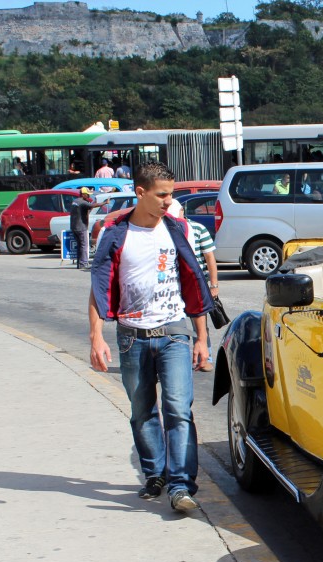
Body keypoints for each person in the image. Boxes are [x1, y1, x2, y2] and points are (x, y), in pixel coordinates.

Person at [89, 162, 214, 512]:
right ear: (140, 192)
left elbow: (193, 283)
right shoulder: (114, 233)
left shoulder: (178, 230)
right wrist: (96, 337)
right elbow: (99, 288)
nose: (168, 201)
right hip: (132, 336)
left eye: (170, 194)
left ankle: (181, 485)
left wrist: (201, 338)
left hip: (175, 332)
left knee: (178, 409)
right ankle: (154, 474)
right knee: (142, 411)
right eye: (161, 195)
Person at [187, 218, 218, 373]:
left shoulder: (198, 229)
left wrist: (213, 284)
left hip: (197, 284)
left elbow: (210, 257)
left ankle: (205, 358)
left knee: (199, 323)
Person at [70, 187, 106, 269]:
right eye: (87, 195)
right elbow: (92, 205)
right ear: (83, 194)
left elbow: (88, 208)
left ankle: (79, 263)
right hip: (81, 227)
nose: (88, 197)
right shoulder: (82, 202)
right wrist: (104, 203)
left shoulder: (75, 201)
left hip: (74, 227)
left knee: (79, 245)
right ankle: (83, 263)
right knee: (84, 245)